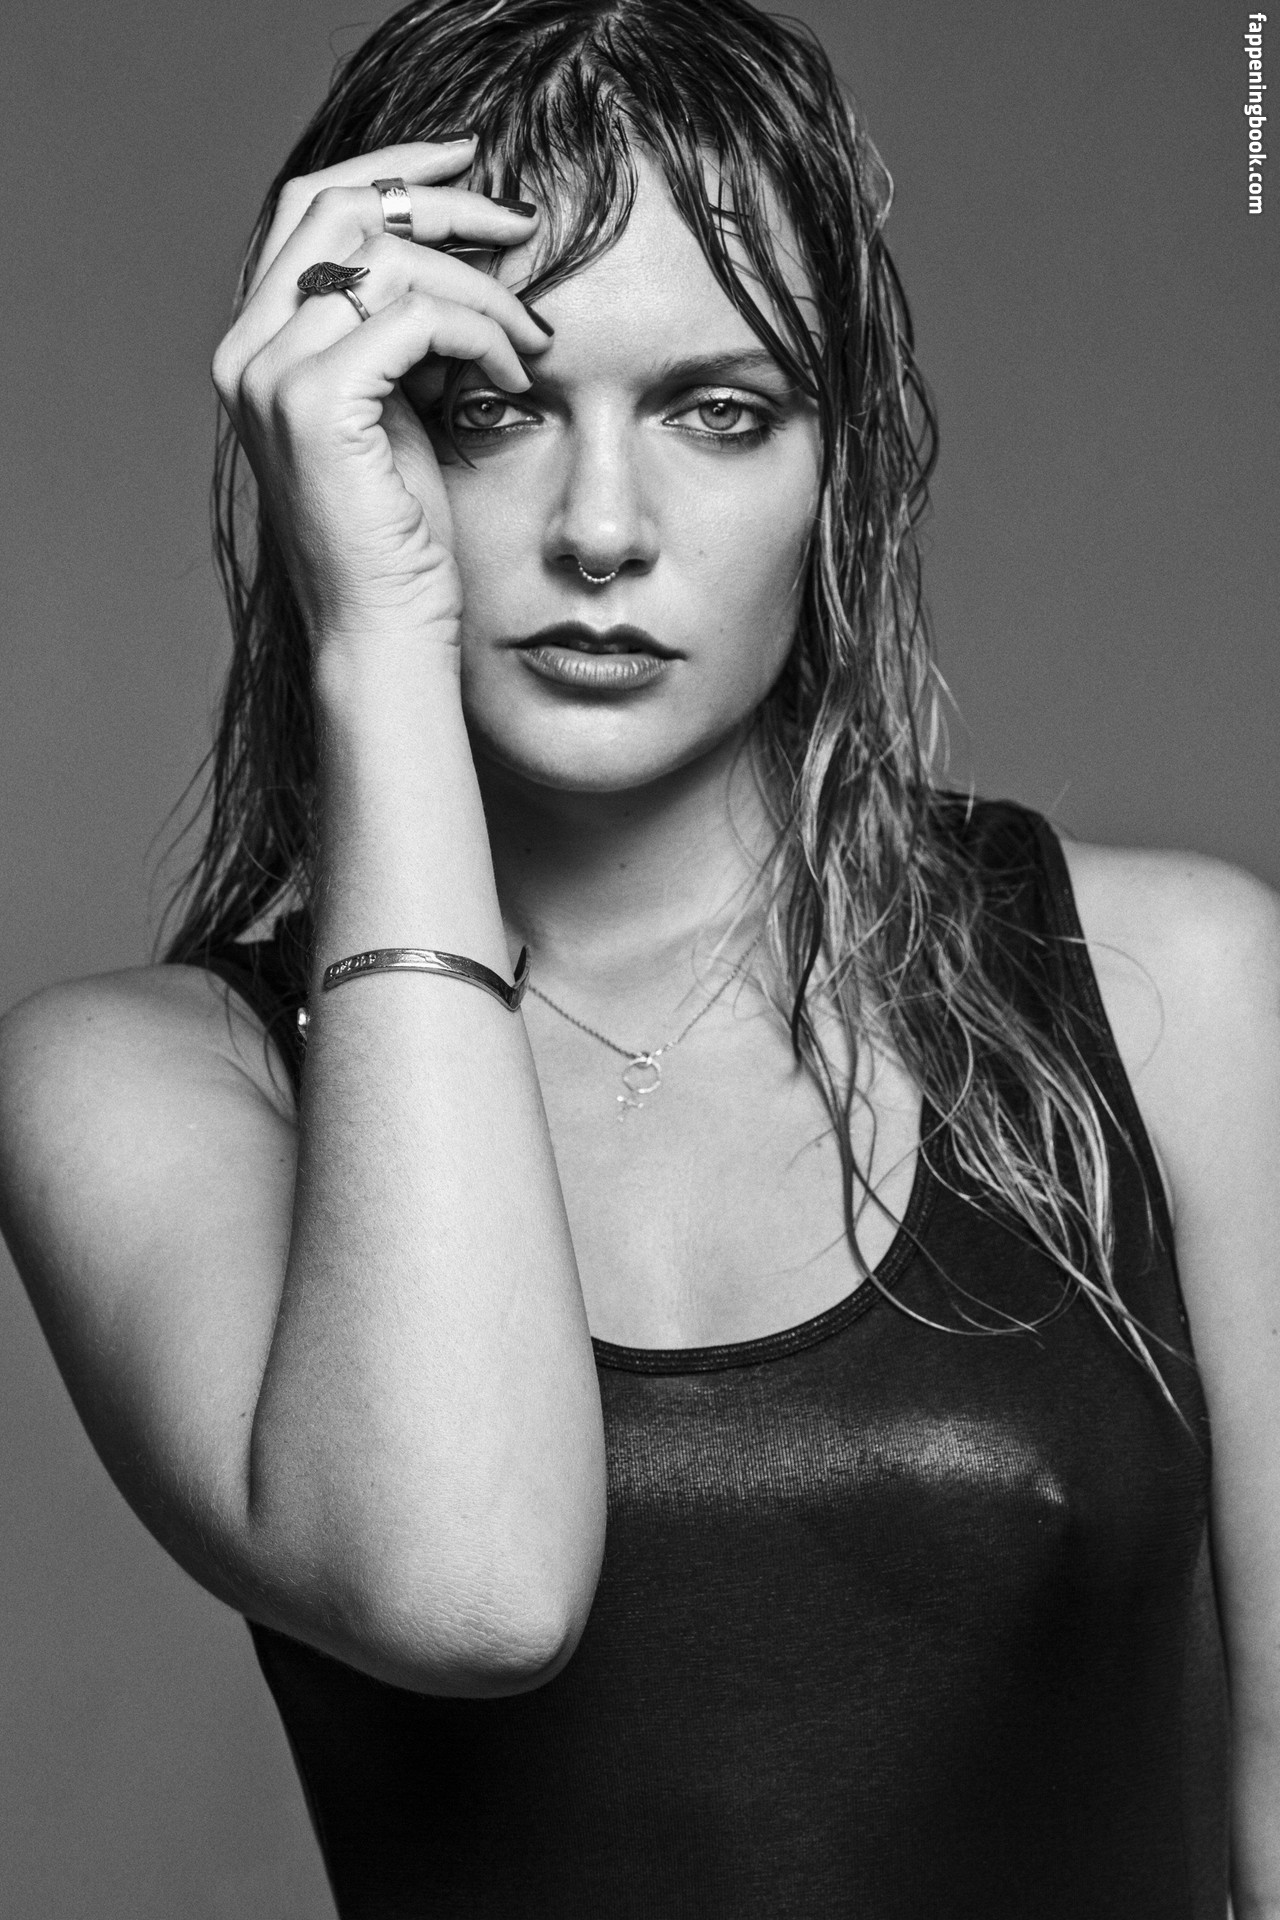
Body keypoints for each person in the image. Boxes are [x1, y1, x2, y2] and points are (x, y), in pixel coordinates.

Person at [0, 0, 1277, 1912]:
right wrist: (376, 641)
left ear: (842, 471)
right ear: (349, 438)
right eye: (489, 410)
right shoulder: (142, 1086)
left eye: (719, 410)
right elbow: (469, 1584)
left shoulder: (1183, 991)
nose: (603, 529)